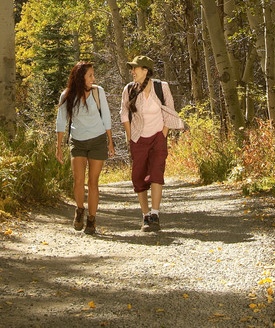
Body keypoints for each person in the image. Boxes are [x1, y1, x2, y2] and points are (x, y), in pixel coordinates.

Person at [120, 55, 184, 232]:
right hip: (138, 138)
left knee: (156, 173)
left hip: (157, 137)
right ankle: (145, 215)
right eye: (132, 68)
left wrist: (163, 134)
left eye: (135, 68)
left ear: (145, 70)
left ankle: (155, 214)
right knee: (138, 177)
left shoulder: (161, 87)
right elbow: (124, 113)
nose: (132, 72)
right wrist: (130, 136)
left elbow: (170, 111)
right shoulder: (129, 89)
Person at [56, 61, 115, 234]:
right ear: (80, 77)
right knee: (78, 180)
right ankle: (80, 209)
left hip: (98, 140)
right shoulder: (67, 95)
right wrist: (58, 147)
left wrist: (110, 141)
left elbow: (106, 116)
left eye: (93, 75)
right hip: (78, 142)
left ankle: (91, 219)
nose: (93, 78)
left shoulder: (98, 92)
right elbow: (61, 121)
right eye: (90, 75)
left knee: (93, 182)